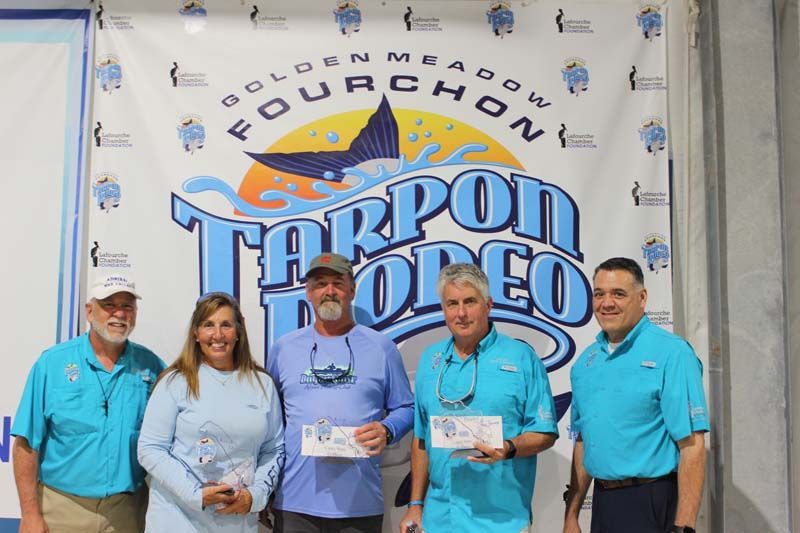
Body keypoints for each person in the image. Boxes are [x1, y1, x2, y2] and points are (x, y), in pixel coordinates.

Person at [400, 263, 559, 533]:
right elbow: (421, 439)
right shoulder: (430, 360)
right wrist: (415, 504)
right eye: (452, 303)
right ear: (444, 309)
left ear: (488, 304)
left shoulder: (521, 357)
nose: (461, 313)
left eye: (470, 302)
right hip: (441, 519)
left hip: (503, 519)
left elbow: (544, 432)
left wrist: (508, 447)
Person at [267, 252, 414, 532]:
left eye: (338, 282)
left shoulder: (381, 348)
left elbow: (407, 408)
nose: (329, 291)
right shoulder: (283, 348)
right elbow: (270, 420)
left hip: (359, 503)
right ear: (308, 292)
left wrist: (386, 429)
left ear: (352, 290)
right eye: (320, 284)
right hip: (295, 503)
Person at [563, 257, 708, 533]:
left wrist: (684, 527)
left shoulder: (673, 354)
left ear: (642, 298)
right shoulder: (585, 364)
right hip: (604, 505)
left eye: (618, 294)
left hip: (653, 500)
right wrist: (571, 515)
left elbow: (692, 445)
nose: (607, 303)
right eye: (599, 294)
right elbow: (584, 441)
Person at [12, 273, 165, 533]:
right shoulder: (51, 364)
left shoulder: (152, 366)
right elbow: (25, 444)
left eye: (127, 306)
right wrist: (30, 514)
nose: (119, 313)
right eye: (109, 305)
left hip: (127, 511)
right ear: (89, 311)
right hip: (61, 508)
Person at [138, 292, 285, 533]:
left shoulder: (262, 384)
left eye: (226, 325)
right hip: (177, 519)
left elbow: (274, 449)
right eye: (208, 325)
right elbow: (150, 449)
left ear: (238, 332)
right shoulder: (174, 382)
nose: (217, 335)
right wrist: (195, 494)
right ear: (196, 333)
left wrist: (255, 497)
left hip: (236, 521)